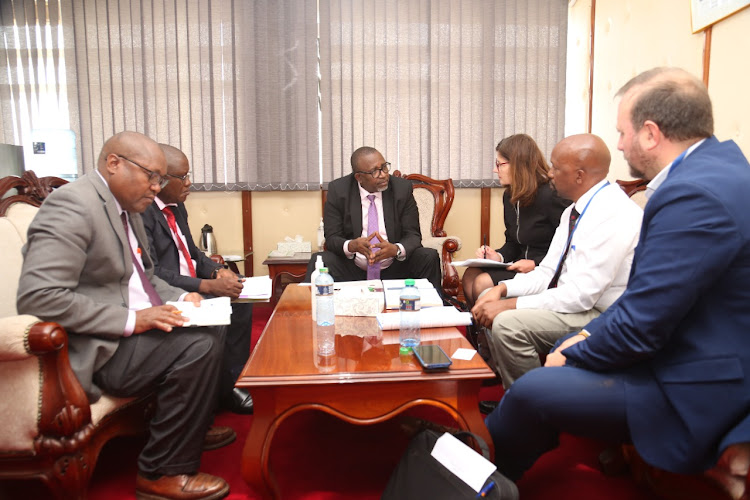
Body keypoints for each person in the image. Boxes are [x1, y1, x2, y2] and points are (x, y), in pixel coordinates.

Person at [484, 67, 750, 497]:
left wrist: (581, 349)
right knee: (554, 355)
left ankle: (484, 474)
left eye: (622, 132)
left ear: (650, 133)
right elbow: (649, 298)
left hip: (697, 377)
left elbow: (644, 323)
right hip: (681, 342)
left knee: (534, 387)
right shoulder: (716, 170)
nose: (620, 144)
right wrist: (587, 334)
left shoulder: (694, 193)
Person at [16, 131, 232, 500]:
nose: (156, 186)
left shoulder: (125, 207)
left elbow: (144, 276)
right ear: (114, 163)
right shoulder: (73, 206)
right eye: (151, 176)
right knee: (197, 345)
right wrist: (134, 320)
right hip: (98, 346)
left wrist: (183, 297)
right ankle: (161, 473)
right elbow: (39, 297)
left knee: (214, 320)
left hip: (130, 332)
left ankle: (188, 426)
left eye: (161, 179)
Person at [472, 134, 643, 393]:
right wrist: (502, 290)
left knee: (507, 323)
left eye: (555, 167)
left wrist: (509, 304)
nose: (549, 174)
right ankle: (515, 395)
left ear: (579, 176)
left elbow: (581, 297)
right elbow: (548, 272)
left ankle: (533, 405)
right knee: (487, 294)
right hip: (575, 303)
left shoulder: (613, 214)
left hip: (604, 315)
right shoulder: (573, 211)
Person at [141, 143, 254, 415]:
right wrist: (207, 285)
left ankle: (231, 383)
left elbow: (192, 253)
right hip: (170, 292)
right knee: (222, 305)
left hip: (192, 283)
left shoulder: (177, 206)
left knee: (240, 299)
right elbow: (153, 272)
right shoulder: (142, 212)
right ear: (160, 179)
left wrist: (217, 271)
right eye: (183, 177)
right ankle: (209, 397)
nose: (189, 183)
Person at [303, 146, 442, 292]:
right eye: (375, 171)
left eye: (384, 167)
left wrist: (396, 249)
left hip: (395, 267)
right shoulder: (339, 190)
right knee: (320, 260)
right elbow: (332, 238)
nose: (383, 175)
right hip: (353, 268)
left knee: (428, 256)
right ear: (359, 177)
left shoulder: (401, 189)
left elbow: (413, 235)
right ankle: (312, 311)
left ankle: (433, 310)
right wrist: (352, 246)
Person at [461, 134, 570, 308]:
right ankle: (479, 331)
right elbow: (513, 242)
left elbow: (570, 244)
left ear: (519, 165)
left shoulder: (551, 194)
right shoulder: (510, 195)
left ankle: (487, 327)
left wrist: (536, 263)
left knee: (482, 282)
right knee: (470, 275)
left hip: (543, 270)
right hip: (518, 265)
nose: (495, 170)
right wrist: (497, 256)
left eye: (499, 164)